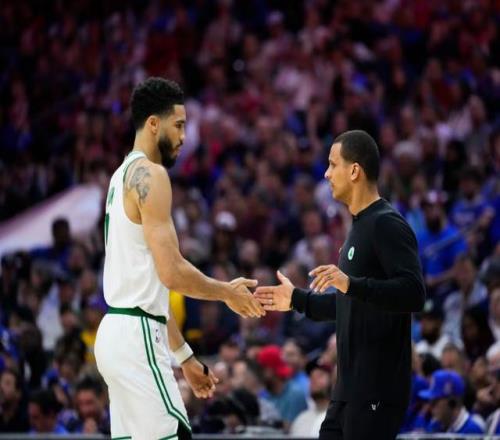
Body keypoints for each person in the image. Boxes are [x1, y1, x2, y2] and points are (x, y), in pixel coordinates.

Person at [94, 77, 265, 440]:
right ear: (154, 124)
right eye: (179, 125)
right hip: (137, 336)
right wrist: (226, 292)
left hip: (118, 332)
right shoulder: (152, 175)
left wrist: (184, 357)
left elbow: (152, 287)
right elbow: (172, 273)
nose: (185, 136)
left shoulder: (119, 176)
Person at [255, 130, 426, 439]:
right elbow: (350, 302)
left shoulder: (386, 223)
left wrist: (351, 284)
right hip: (348, 387)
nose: (326, 173)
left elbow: (414, 293)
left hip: (377, 387)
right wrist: (296, 299)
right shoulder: (358, 228)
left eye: (333, 164)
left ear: (355, 170)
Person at [418, 369, 485, 434]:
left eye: (435, 401)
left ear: (452, 402)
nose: (430, 406)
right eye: (430, 401)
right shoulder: (435, 425)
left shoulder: (472, 430)